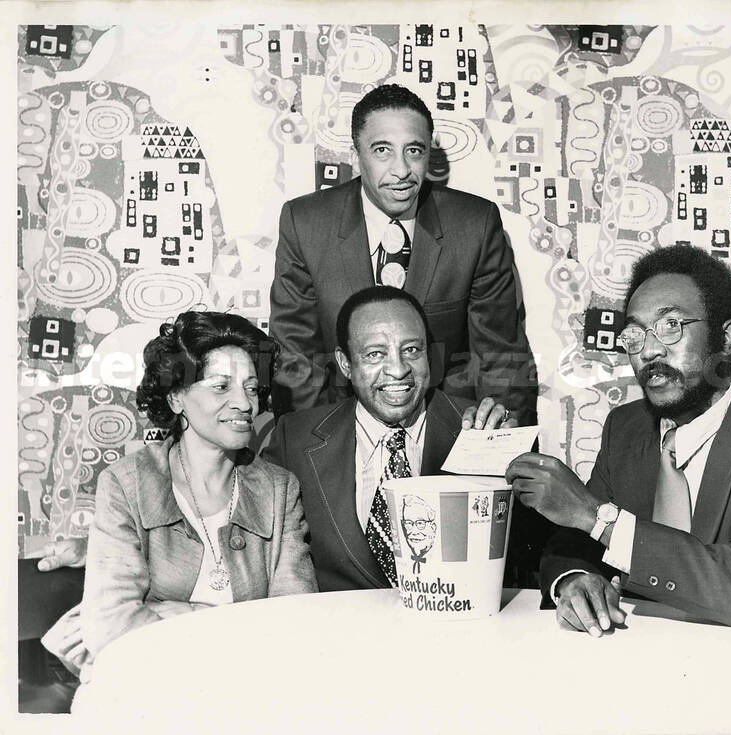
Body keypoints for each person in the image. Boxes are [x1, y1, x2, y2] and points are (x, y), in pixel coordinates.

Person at [506, 245, 731, 710]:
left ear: (726, 339)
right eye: (635, 335)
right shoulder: (626, 429)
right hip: (665, 675)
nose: (651, 350)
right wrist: (576, 577)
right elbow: (576, 542)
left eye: (671, 326)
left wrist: (597, 517)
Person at [45, 311, 318, 678]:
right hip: (148, 685)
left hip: (253, 687)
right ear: (176, 397)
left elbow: (295, 623)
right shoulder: (127, 483)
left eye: (252, 387)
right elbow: (112, 627)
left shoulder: (280, 489)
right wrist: (236, 629)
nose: (245, 403)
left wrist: (189, 615)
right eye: (221, 386)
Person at [269, 83, 536, 423]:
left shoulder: (475, 225)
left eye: (414, 151)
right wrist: (321, 445)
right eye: (382, 150)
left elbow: (499, 353)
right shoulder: (305, 223)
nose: (401, 171)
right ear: (356, 156)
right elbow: (296, 355)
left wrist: (498, 436)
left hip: (444, 427)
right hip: (341, 423)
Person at [265, 286, 550, 591]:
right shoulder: (294, 439)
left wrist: (510, 460)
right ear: (346, 363)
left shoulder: (482, 431)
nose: (399, 369)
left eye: (412, 350)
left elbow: (532, 549)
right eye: (376, 354)